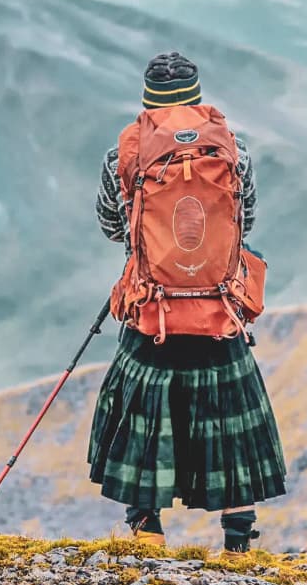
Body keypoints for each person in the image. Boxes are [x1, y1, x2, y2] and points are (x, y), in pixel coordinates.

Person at [87, 50, 288, 554]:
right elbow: (246, 224)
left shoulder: (124, 155)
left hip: (153, 318)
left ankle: (147, 530)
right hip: (219, 315)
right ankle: (239, 541)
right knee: (233, 428)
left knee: (144, 422)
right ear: (197, 96)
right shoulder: (233, 150)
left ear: (148, 99)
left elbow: (114, 227)